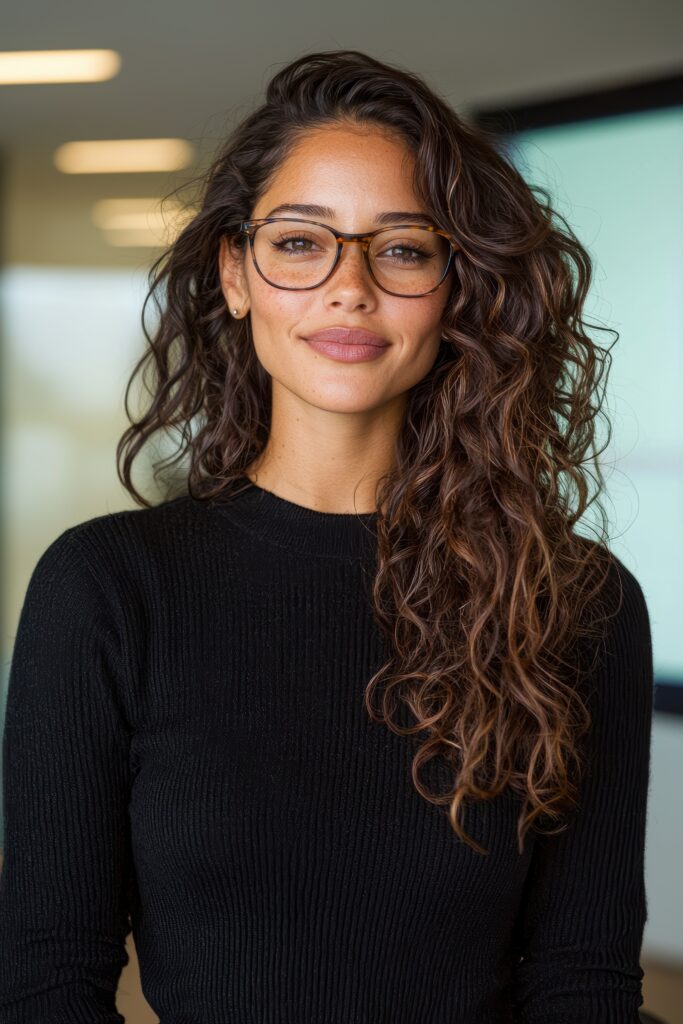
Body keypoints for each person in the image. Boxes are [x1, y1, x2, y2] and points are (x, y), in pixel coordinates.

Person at [0, 48, 654, 1023]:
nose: (348, 287)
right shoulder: (107, 586)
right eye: (301, 243)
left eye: (399, 247)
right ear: (235, 273)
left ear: (454, 285)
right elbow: (48, 978)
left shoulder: (574, 600)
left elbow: (581, 981)